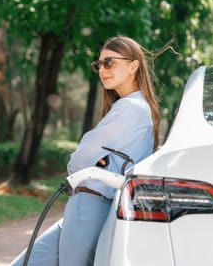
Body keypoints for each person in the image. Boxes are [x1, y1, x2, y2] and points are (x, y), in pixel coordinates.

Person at [10, 36, 160, 266]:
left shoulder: (131, 107)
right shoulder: (137, 108)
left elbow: (81, 157)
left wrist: (92, 163)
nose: (102, 70)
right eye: (99, 64)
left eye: (110, 62)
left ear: (133, 65)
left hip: (91, 205)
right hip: (87, 205)